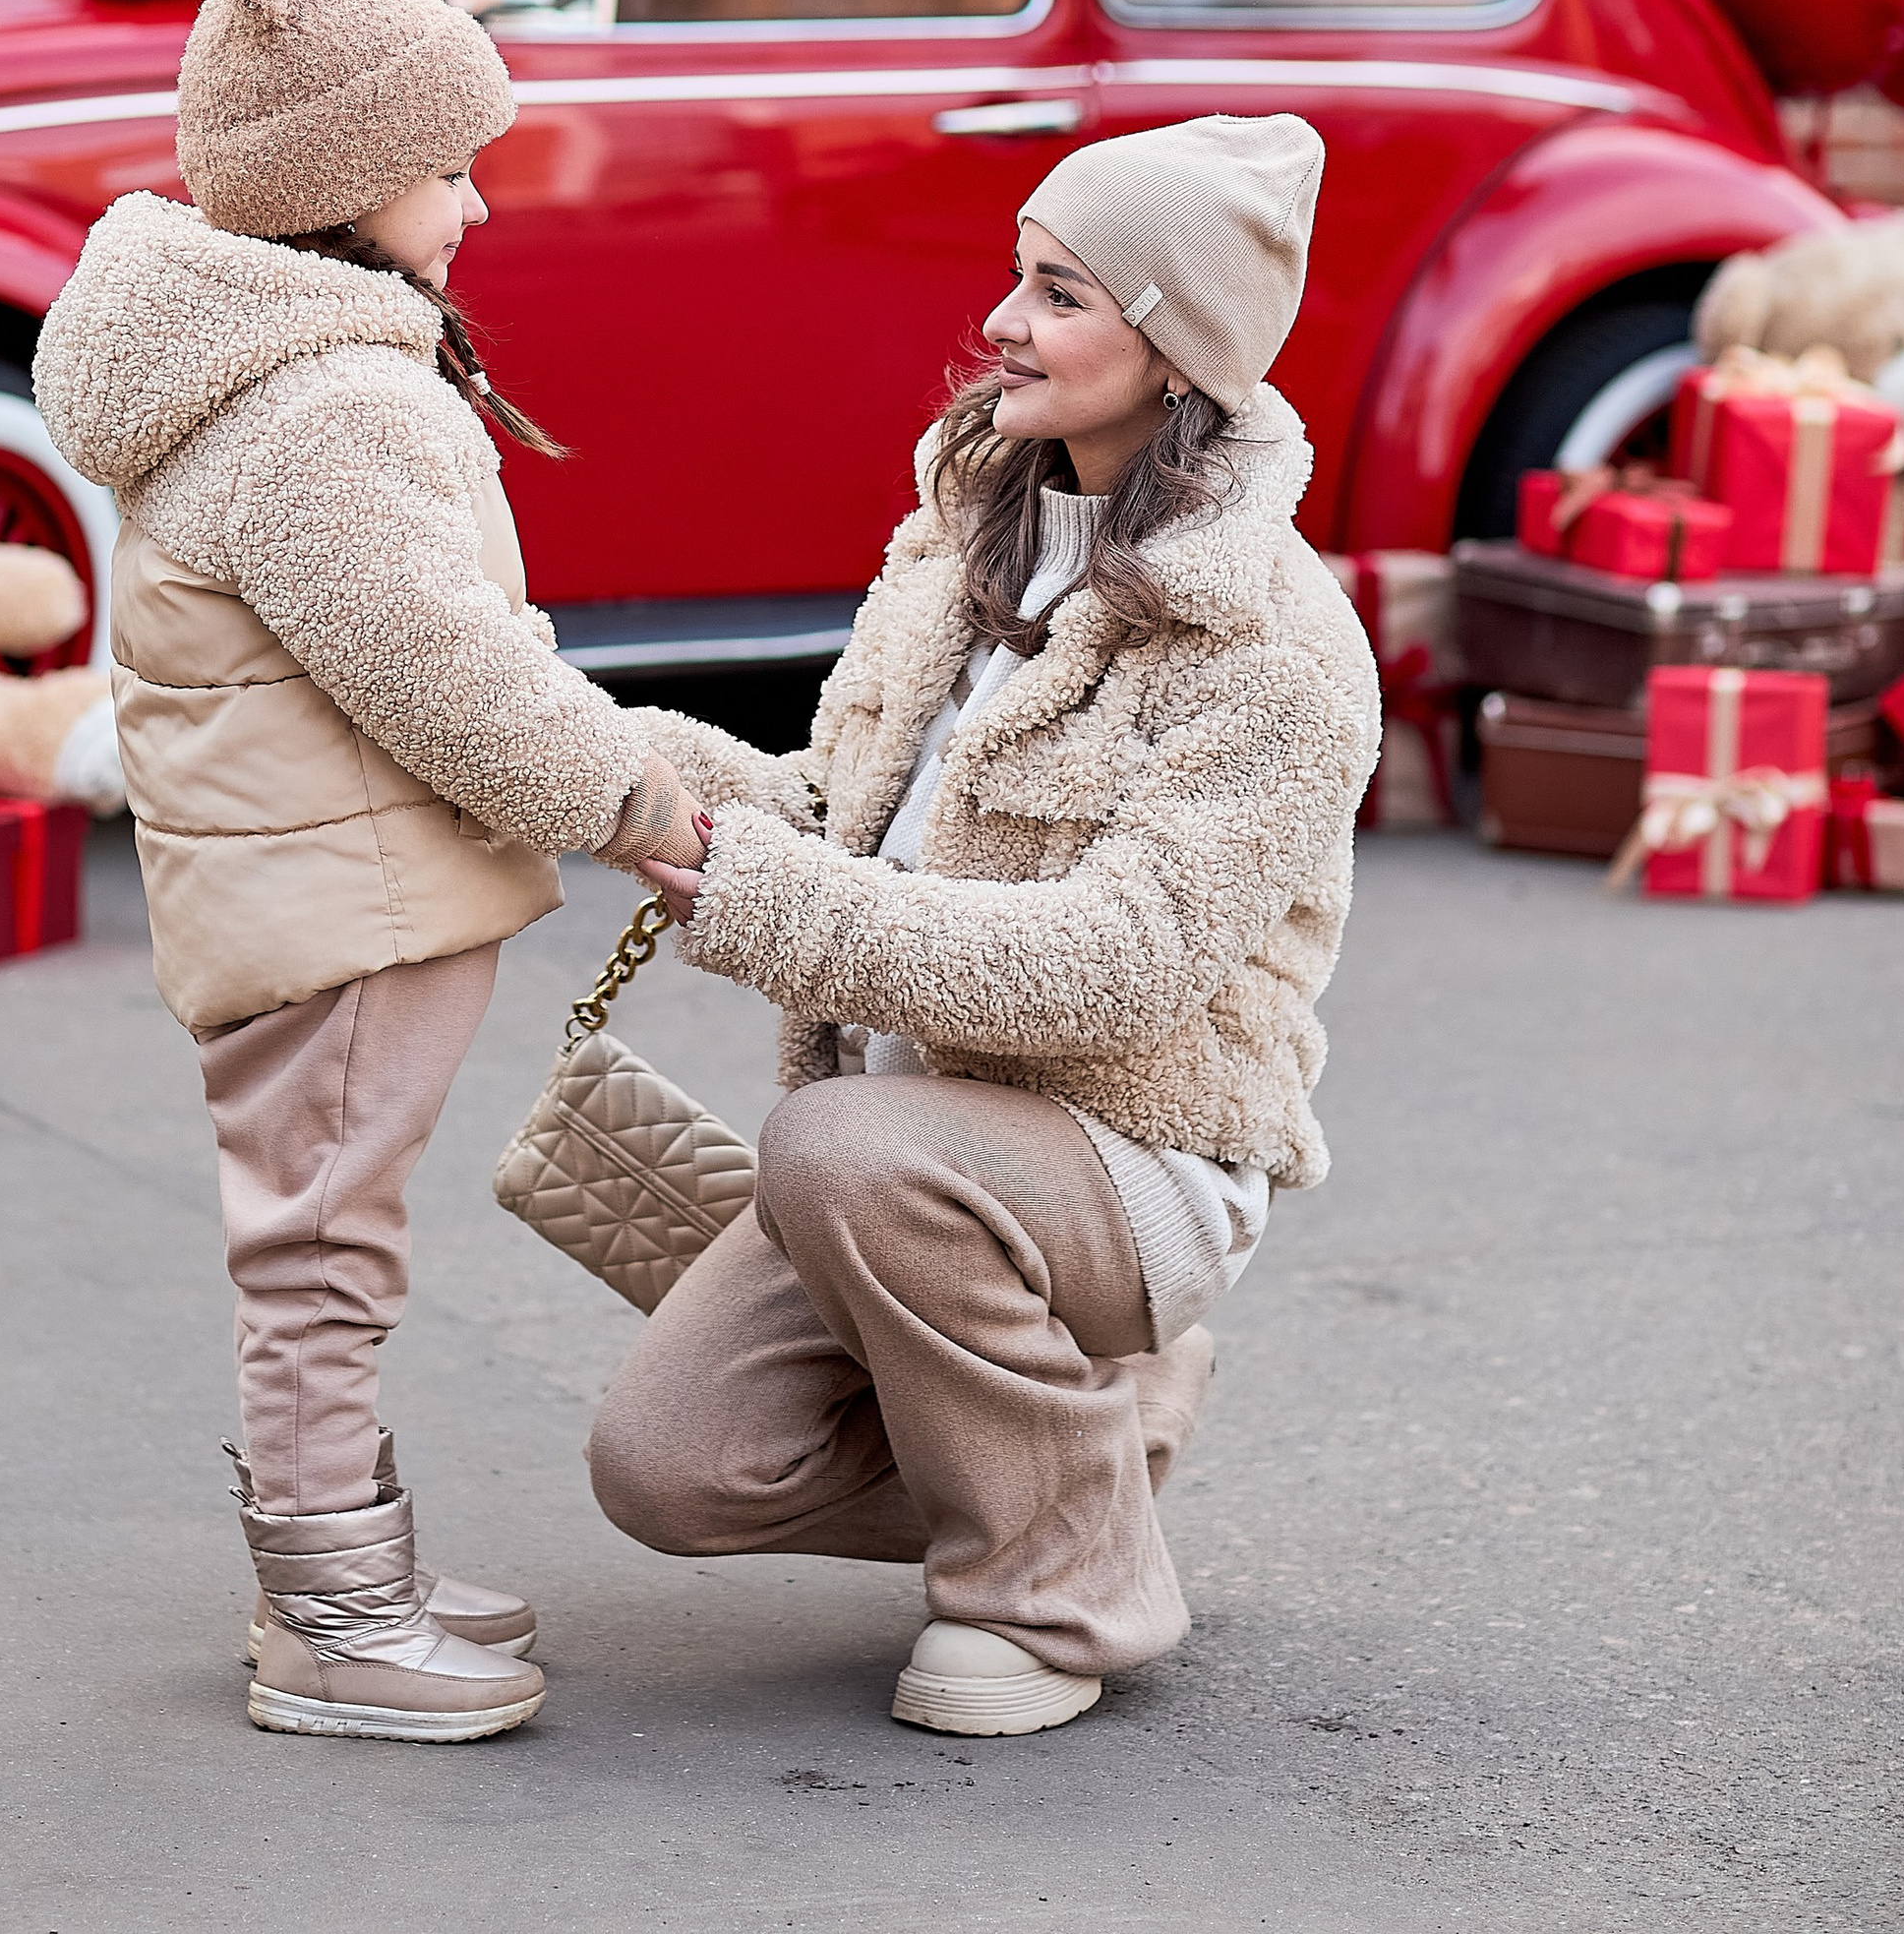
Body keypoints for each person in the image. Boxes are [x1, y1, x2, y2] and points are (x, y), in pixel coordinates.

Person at [587, 114, 1381, 1740]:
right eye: (1018, 278)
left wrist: (762, 901)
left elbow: (1116, 965)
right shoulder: (965, 543)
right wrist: (618, 766)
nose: (1004, 322)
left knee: (833, 1152)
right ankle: (1088, 1455)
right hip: (908, 1144)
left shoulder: (1285, 648)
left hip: (1130, 1157)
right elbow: (840, 809)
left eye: (1061, 294)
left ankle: (1063, 1584)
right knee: (667, 1470)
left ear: (1176, 352)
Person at [34, 0, 704, 1746]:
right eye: (444, 166)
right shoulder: (322, 406)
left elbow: (442, 661)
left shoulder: (278, 366)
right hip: (338, 907)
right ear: (342, 184)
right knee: (324, 1255)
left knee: (330, 1240)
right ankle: (330, 1616)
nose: (475, 204)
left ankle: (347, 1570)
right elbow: (450, 679)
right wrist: (634, 799)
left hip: (327, 881)